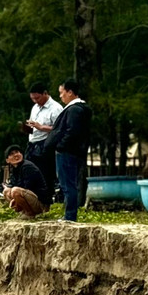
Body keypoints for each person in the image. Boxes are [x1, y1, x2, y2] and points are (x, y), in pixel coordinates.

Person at [47, 80, 90, 222]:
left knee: (68, 185)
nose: (61, 96)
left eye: (62, 93)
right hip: (74, 152)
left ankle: (70, 215)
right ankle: (69, 214)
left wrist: (60, 145)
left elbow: (72, 132)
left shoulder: (74, 110)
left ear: (70, 92)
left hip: (68, 152)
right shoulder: (80, 109)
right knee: (69, 184)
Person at [23, 82, 63, 197]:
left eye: (37, 98)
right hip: (32, 143)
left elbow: (59, 129)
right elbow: (34, 125)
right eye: (33, 99)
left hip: (45, 144)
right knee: (30, 171)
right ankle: (34, 198)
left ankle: (47, 198)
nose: (35, 101)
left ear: (45, 93)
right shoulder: (35, 107)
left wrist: (41, 127)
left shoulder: (55, 108)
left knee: (44, 174)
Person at [2, 145, 50, 218]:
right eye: (11, 154)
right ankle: (23, 211)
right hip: (30, 198)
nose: (16, 155)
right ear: (7, 160)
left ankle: (30, 213)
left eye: (17, 152)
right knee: (6, 191)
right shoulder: (15, 169)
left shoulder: (27, 166)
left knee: (15, 191)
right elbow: (11, 184)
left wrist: (14, 200)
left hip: (41, 204)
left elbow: (27, 187)